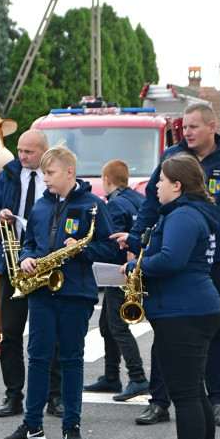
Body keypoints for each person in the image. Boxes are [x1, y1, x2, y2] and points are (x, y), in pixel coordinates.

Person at [123, 103, 220, 428]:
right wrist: (134, 243)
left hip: (215, 262)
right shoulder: (172, 157)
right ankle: (159, 402)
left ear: (212, 127)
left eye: (193, 127)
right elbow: (150, 204)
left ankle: (216, 402)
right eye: (184, 127)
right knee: (163, 329)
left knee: (215, 330)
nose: (186, 132)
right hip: (172, 260)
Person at [2, 144, 119, 439]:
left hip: (76, 294)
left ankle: (71, 426)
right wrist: (27, 257)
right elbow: (29, 243)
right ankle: (32, 425)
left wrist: (82, 248)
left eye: (50, 173)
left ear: (70, 172)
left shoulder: (93, 206)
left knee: (71, 359)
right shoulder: (40, 206)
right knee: (38, 357)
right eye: (43, 173)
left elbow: (110, 249)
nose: (46, 179)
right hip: (41, 291)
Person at [118, 153, 220, 439]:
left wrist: (136, 265)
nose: (156, 186)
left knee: (185, 395)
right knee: (193, 390)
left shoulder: (183, 216)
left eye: (161, 180)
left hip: (184, 312)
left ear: (177, 185)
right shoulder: (183, 212)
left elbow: (171, 260)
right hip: (187, 309)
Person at [0, 129, 63, 418]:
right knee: (11, 334)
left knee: (50, 335)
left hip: (45, 264)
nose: (22, 156)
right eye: (19, 150)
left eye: (29, 151)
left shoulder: (52, 174)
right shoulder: (9, 173)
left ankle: (54, 396)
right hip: (12, 264)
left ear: (44, 151)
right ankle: (13, 395)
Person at [83, 159, 149, 402]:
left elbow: (112, 244)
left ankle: (138, 377)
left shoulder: (113, 205)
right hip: (134, 272)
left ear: (106, 181)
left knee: (117, 326)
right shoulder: (139, 199)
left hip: (117, 273)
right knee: (106, 325)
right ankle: (111, 376)